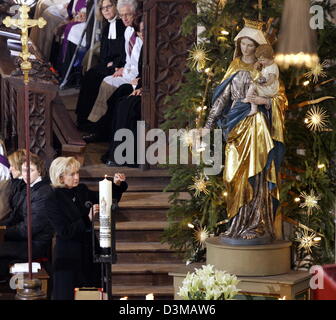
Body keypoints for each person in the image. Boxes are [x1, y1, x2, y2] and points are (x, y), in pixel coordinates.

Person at [204, 18, 287, 242]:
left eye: (251, 45)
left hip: (257, 126)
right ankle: (236, 223)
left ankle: (256, 223)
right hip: (234, 124)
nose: (246, 48)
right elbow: (222, 98)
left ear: (258, 46)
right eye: (243, 44)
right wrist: (208, 124)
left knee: (257, 172)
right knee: (231, 176)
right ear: (238, 44)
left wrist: (264, 101)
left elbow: (279, 99)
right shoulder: (234, 66)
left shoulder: (267, 67)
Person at [48, 156, 127, 300]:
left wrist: (116, 184)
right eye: (72, 174)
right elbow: (64, 231)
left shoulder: (81, 190)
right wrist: (87, 218)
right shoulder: (52, 198)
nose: (77, 177)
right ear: (60, 177)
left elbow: (104, 197)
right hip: (68, 257)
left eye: (77, 173)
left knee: (91, 295)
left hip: (89, 252)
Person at [0, 153, 55, 280]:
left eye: (31, 170)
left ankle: (7, 288)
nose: (26, 174)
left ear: (39, 171)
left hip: (35, 245)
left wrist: (3, 232)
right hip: (26, 240)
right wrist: (2, 227)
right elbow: (16, 216)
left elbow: (29, 228)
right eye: (24, 170)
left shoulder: (43, 193)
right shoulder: (29, 187)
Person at [87, 0, 141, 123]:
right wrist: (123, 68)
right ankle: (94, 122)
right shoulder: (128, 31)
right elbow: (128, 58)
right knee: (105, 80)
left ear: (135, 13)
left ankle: (98, 124)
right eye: (122, 15)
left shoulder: (140, 33)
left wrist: (137, 76)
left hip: (135, 76)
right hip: (127, 71)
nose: (125, 19)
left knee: (107, 84)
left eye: (128, 14)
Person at [75, 0, 126, 129]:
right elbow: (104, 51)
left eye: (109, 7)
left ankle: (93, 123)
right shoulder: (107, 26)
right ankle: (83, 118)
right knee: (89, 75)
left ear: (116, 7)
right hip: (107, 64)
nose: (106, 10)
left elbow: (124, 51)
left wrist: (114, 64)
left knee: (95, 78)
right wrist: (106, 62)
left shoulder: (122, 25)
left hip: (120, 65)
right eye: (103, 8)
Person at [243, 44, 280, 116]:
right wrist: (258, 64)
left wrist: (264, 84)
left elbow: (271, 80)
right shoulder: (266, 63)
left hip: (270, 88)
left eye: (262, 60)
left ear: (270, 58)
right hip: (266, 85)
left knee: (253, 87)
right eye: (259, 59)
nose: (260, 62)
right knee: (253, 88)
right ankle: (251, 102)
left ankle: (250, 102)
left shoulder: (273, 68)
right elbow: (262, 69)